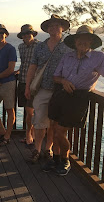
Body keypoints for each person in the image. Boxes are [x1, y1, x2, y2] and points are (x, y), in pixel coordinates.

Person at [45, 25, 104, 175]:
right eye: (80, 39)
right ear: (75, 41)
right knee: (53, 127)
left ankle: (65, 160)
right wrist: (64, 82)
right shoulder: (67, 56)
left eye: (87, 39)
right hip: (60, 94)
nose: (83, 42)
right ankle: (56, 159)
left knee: (60, 131)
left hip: (78, 98)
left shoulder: (99, 57)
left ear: (91, 42)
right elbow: (55, 77)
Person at [25, 15, 71, 163]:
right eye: (51, 26)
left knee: (54, 123)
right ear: (47, 29)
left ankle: (48, 149)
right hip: (43, 89)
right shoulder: (40, 46)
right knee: (39, 121)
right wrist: (27, 86)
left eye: (57, 25)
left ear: (62, 28)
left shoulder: (68, 47)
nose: (53, 28)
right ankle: (37, 149)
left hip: (60, 91)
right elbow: (32, 67)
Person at [17, 24, 39, 146]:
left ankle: (29, 136)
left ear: (33, 34)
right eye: (24, 34)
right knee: (28, 110)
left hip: (34, 83)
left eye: (28, 33)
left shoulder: (39, 46)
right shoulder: (21, 47)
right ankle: (32, 135)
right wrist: (18, 71)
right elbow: (24, 63)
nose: (26, 36)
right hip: (22, 80)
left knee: (31, 111)